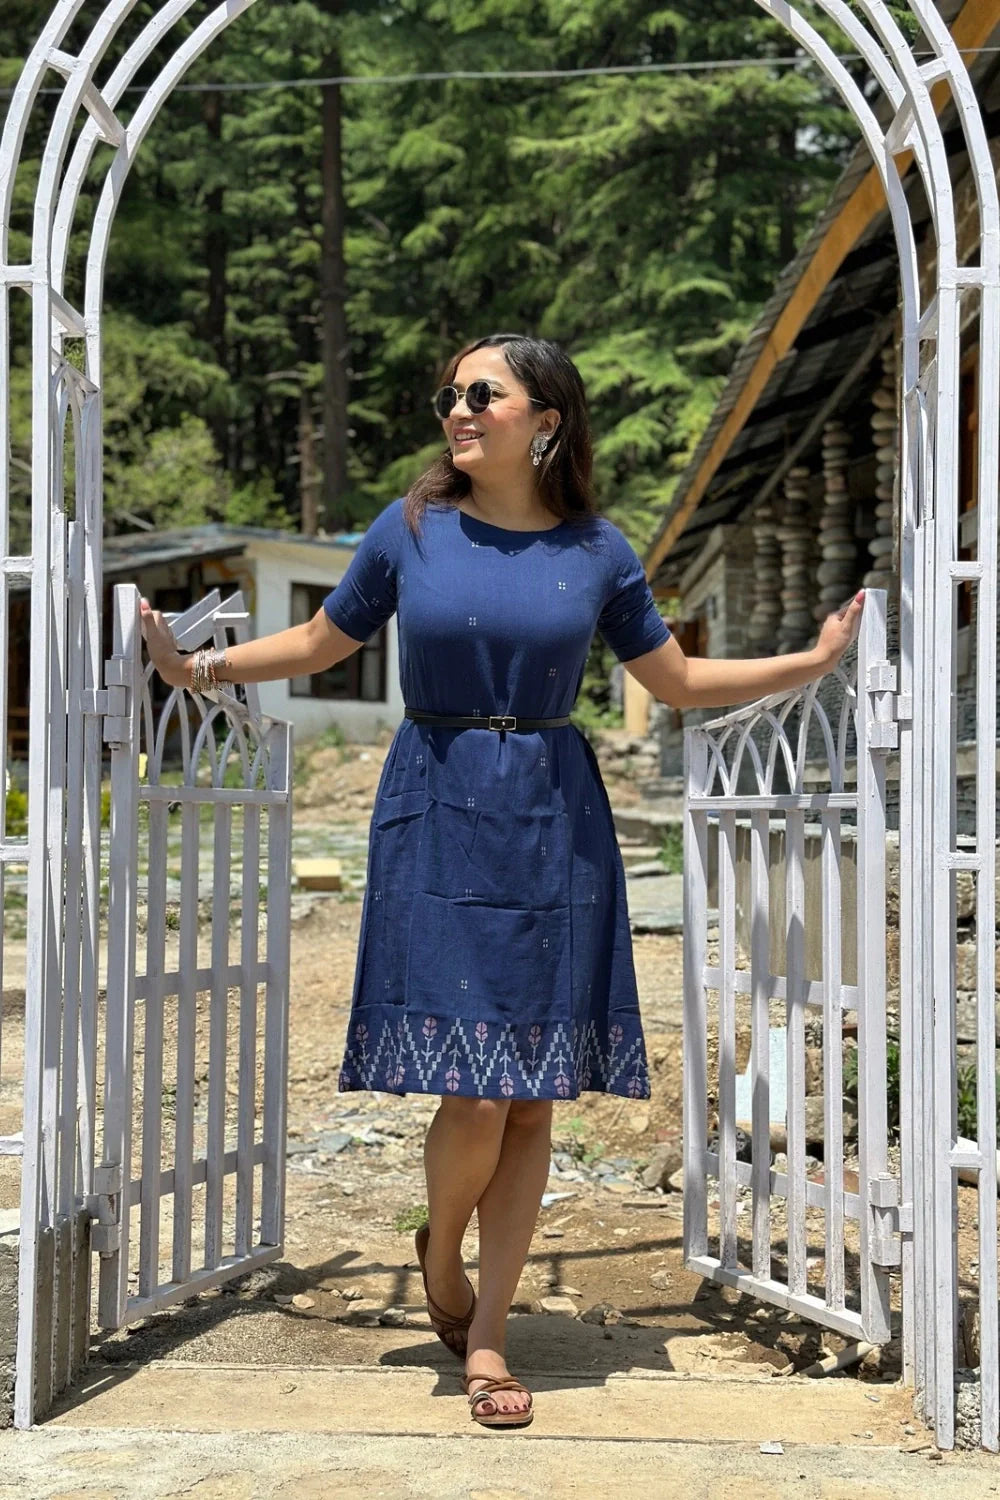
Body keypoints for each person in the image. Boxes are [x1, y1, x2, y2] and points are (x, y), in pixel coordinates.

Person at [140, 332, 863, 1432]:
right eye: (451, 394)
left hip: (552, 818)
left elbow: (671, 678)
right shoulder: (410, 527)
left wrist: (807, 663)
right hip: (435, 804)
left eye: (484, 393)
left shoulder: (599, 550)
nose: (459, 409)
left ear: (546, 420)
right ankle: (442, 1259)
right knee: (473, 1089)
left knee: (531, 1094)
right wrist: (194, 667)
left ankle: (488, 1332)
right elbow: (325, 641)